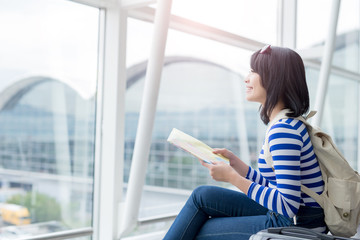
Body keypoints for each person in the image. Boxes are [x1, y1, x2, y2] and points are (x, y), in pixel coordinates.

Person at [163, 45, 327, 240]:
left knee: (199, 229)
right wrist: (236, 164)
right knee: (202, 195)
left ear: (275, 78)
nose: (246, 78)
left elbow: (287, 205)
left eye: (254, 71)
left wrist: (233, 178)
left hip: (294, 223)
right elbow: (276, 187)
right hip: (297, 217)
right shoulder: (289, 123)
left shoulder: (283, 131)